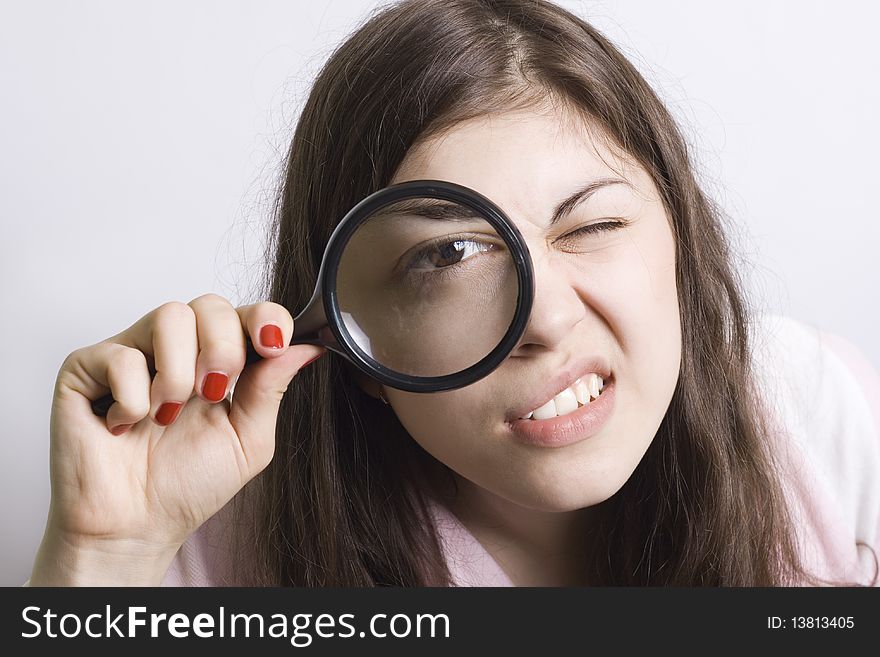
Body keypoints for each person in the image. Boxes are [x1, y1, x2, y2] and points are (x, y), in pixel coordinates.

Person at [27, 0, 879, 587]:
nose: (545, 318)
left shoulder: (814, 411)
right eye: (451, 255)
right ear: (358, 348)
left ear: (681, 245)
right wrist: (103, 557)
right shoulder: (215, 544)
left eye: (592, 226)